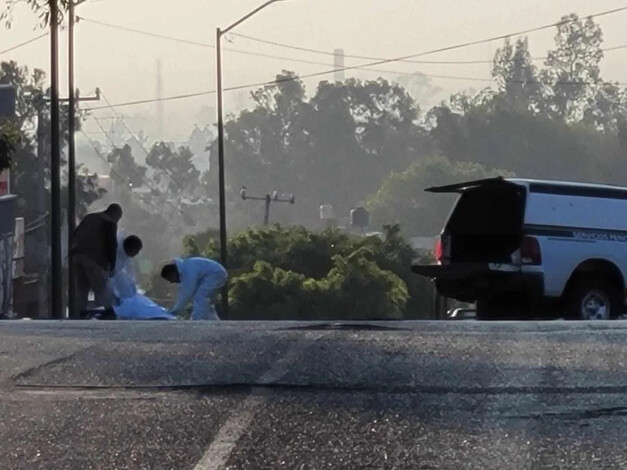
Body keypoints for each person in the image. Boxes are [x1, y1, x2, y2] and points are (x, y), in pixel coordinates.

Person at [69, 203, 122, 319]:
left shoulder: (90, 217)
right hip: (94, 256)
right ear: (115, 214)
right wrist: (112, 264)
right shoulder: (109, 222)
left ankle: (81, 312)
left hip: (77, 254)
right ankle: (109, 310)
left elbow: (76, 233)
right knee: (101, 285)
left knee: (82, 286)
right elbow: (112, 244)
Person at [160, 257, 228, 321]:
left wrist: (175, 311)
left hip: (216, 274)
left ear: (173, 273)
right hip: (213, 274)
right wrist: (175, 309)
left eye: (169, 279)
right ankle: (213, 321)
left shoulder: (188, 271)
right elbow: (183, 294)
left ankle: (196, 319)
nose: (171, 282)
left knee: (200, 296)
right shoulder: (186, 269)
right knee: (205, 301)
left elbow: (186, 294)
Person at [110, 231, 143, 301]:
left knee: (128, 289)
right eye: (136, 251)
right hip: (105, 273)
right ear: (131, 248)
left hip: (114, 272)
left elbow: (130, 269)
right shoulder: (115, 252)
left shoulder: (126, 255)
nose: (136, 254)